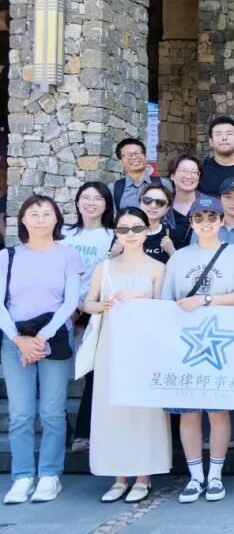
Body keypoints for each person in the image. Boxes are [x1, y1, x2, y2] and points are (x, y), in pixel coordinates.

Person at [161, 195, 234, 504]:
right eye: (199, 218)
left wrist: (205, 300)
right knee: (189, 412)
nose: (206, 223)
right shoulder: (179, 258)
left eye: (212, 217)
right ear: (192, 222)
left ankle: (215, 474)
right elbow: (167, 302)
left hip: (220, 341)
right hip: (186, 342)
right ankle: (195, 475)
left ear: (221, 221)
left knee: (217, 410)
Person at [81, 207, 169, 504]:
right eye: (123, 229)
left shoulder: (158, 268)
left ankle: (143, 476)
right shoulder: (104, 268)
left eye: (136, 228)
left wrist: (143, 300)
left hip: (145, 348)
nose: (130, 235)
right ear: (116, 233)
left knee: (144, 411)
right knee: (112, 408)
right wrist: (104, 304)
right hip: (111, 344)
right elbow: (87, 304)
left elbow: (166, 309)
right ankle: (118, 476)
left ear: (146, 231)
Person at [0, 195, 84, 504]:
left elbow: (70, 301)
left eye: (46, 213)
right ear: (22, 219)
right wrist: (18, 339)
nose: (40, 219)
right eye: (33, 214)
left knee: (52, 410)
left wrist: (43, 337)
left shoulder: (69, 255)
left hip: (55, 339)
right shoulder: (7, 257)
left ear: (57, 219)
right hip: (15, 341)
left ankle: (49, 474)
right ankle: (22, 476)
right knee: (21, 413)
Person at [63, 182, 116, 454]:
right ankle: (63, 429)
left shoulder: (113, 236)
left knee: (93, 374)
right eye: (86, 197)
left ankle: (84, 432)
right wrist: (69, 308)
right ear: (77, 202)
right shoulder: (63, 234)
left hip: (95, 313)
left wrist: (85, 308)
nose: (91, 203)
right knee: (56, 378)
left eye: (98, 198)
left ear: (107, 204)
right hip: (62, 314)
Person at [111, 137, 172, 209]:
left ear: (145, 156)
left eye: (137, 153)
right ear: (121, 162)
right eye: (128, 155)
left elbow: (169, 213)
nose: (134, 157)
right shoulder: (114, 188)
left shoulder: (163, 183)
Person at [169, 154, 202, 248]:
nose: (189, 176)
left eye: (194, 172)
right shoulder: (163, 204)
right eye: (184, 171)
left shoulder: (208, 204)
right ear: (172, 175)